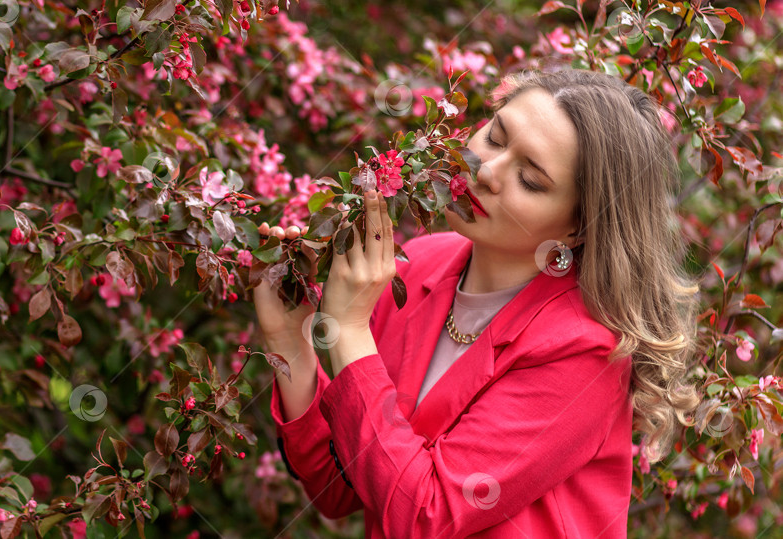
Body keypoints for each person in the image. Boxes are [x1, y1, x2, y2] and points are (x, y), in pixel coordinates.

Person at [252, 69, 701, 538]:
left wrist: (348, 330)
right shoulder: (417, 266)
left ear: (579, 227)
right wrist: (291, 344)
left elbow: (425, 517)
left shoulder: (584, 351)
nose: (485, 171)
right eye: (494, 136)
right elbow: (341, 489)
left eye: (530, 179)